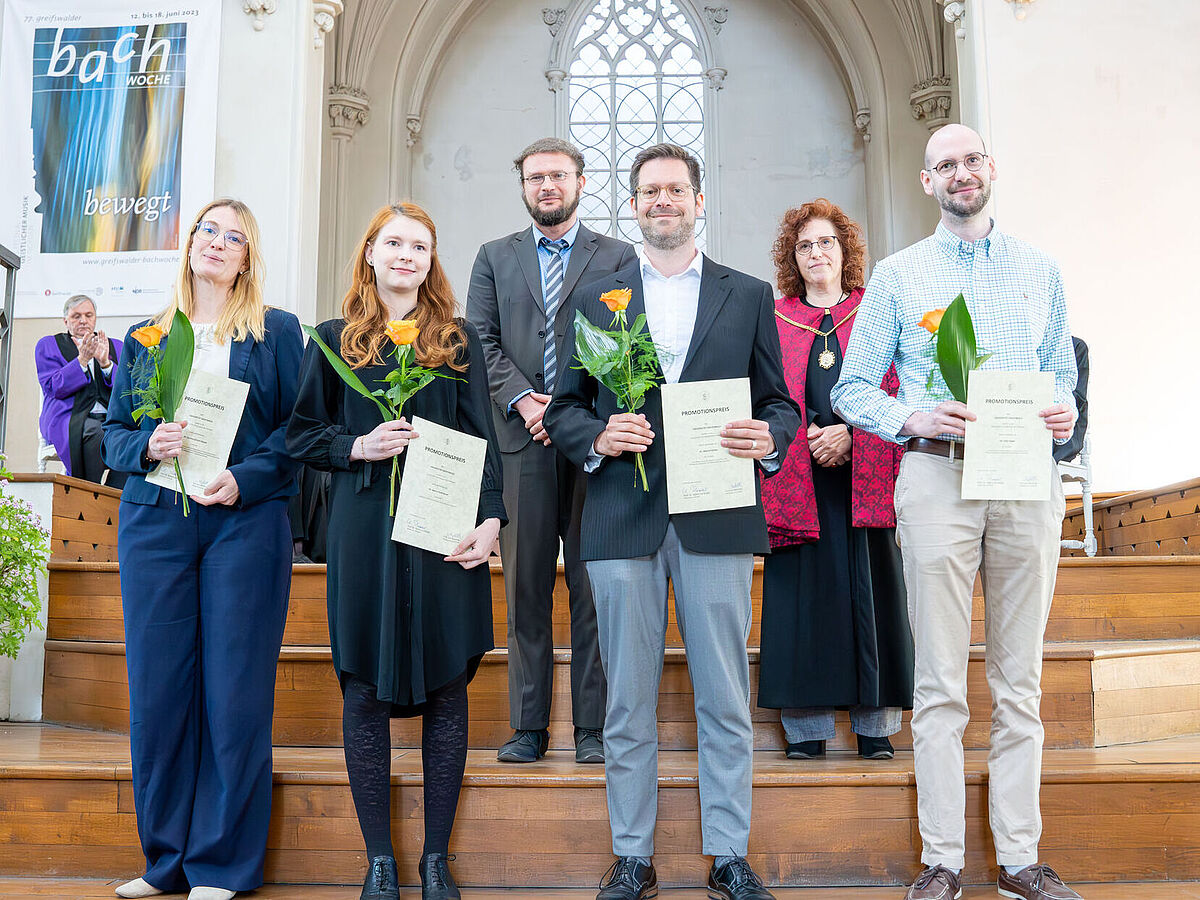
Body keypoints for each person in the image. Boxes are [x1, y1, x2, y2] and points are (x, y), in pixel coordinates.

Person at [831, 124, 1081, 900]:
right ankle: (941, 860)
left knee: (1020, 683)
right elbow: (852, 387)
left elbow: (1062, 376)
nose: (961, 173)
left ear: (991, 169)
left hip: (1022, 483)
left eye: (971, 160)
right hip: (936, 479)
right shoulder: (901, 276)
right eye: (946, 165)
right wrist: (913, 418)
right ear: (926, 182)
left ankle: (1019, 860)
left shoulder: (1041, 270)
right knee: (940, 682)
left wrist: (1066, 413)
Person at [544, 143, 800, 900]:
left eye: (676, 190)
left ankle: (728, 854)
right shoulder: (594, 296)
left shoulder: (747, 293)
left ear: (697, 201)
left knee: (723, 694)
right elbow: (563, 407)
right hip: (623, 515)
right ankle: (632, 855)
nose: (663, 201)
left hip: (718, 514)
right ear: (632, 205)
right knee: (626, 697)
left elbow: (781, 401)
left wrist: (773, 436)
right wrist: (597, 437)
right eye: (650, 191)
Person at [287, 203, 505, 900]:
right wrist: (357, 445)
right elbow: (299, 435)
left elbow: (483, 439)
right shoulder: (330, 341)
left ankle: (435, 860)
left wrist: (493, 520)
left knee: (447, 686)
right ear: (371, 255)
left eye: (420, 245)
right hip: (364, 532)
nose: (407, 255)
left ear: (430, 260)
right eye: (394, 243)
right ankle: (379, 859)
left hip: (444, 533)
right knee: (363, 688)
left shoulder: (458, 341)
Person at [102, 200, 304, 900]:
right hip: (155, 522)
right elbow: (114, 435)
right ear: (189, 245)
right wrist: (144, 444)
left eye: (235, 237)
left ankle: (220, 865)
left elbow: (296, 434)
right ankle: (165, 863)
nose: (218, 244)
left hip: (242, 524)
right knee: (158, 696)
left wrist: (243, 480)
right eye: (208, 231)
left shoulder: (275, 332)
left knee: (235, 694)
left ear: (247, 258)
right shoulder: (148, 334)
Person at [467, 137, 636, 764]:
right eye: (535, 177)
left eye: (557, 176)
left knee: (594, 589)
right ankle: (528, 727)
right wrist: (531, 403)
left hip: (594, 443)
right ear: (522, 186)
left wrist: (573, 415)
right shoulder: (493, 257)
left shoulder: (618, 255)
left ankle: (592, 729)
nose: (547, 187)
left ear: (581, 182)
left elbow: (627, 341)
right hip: (521, 441)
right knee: (527, 590)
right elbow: (479, 341)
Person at [757, 199, 913, 761]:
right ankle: (807, 730)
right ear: (791, 259)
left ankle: (875, 727)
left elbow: (900, 389)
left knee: (871, 596)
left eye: (825, 242)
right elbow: (764, 398)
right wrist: (809, 441)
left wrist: (854, 435)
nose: (815, 253)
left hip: (865, 481)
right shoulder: (774, 320)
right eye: (804, 246)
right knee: (803, 600)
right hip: (797, 482)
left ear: (845, 251)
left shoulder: (875, 309)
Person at [34, 294, 127, 487]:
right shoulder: (49, 345)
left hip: (111, 418)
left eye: (88, 315)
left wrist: (106, 363)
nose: (83, 320)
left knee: (129, 438)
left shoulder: (116, 346)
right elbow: (53, 387)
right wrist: (81, 361)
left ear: (95, 318)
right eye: (76, 316)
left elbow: (127, 390)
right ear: (65, 320)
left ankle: (113, 496)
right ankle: (86, 493)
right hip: (68, 418)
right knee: (98, 433)